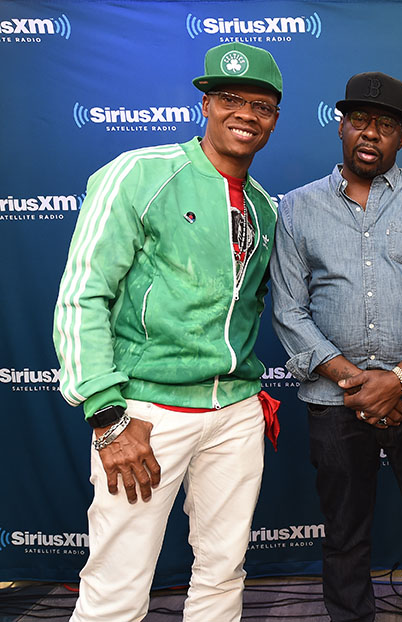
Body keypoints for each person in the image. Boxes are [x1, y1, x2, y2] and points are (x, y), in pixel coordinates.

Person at [52, 42, 283, 622]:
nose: (246, 114)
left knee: (224, 570)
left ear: (275, 118)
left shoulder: (264, 207)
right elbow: (83, 296)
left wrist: (248, 397)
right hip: (147, 413)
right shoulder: (141, 172)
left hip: (234, 411)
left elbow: (246, 310)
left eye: (262, 105)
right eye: (231, 98)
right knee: (118, 580)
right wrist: (108, 417)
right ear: (204, 103)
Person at [270, 71, 402, 622]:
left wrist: (399, 379)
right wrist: (354, 382)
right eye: (359, 120)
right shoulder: (298, 207)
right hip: (337, 403)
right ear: (341, 127)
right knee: (344, 537)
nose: (370, 133)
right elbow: (289, 309)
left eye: (384, 125)